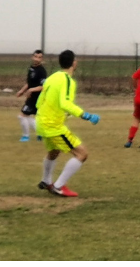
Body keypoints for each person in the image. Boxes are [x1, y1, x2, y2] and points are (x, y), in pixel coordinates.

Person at [35, 50, 101, 197]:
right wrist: (86, 115)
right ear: (73, 63)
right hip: (53, 125)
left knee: (54, 151)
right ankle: (58, 186)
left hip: (42, 121)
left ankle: (46, 181)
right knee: (82, 154)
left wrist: (40, 125)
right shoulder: (67, 80)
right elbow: (65, 103)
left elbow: (40, 100)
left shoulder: (53, 77)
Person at [15, 49, 47, 142]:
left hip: (37, 98)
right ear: (32, 57)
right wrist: (22, 90)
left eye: (39, 57)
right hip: (31, 97)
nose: (37, 59)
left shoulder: (41, 71)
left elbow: (43, 87)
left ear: (42, 59)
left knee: (22, 116)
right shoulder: (31, 68)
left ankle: (26, 136)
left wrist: (31, 90)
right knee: (27, 116)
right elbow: (30, 83)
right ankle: (41, 133)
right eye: (36, 57)